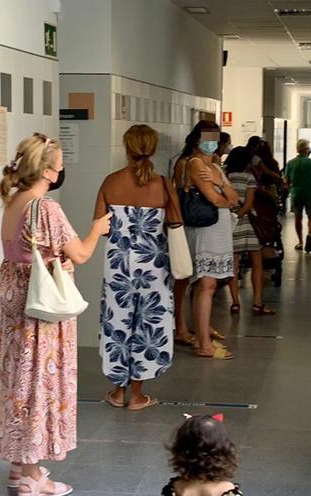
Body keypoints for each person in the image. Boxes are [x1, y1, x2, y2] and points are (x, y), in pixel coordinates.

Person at [0, 132, 111, 496]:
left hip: (9, 294)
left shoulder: (13, 201)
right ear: (46, 170)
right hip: (39, 304)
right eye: (59, 163)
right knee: (37, 384)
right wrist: (97, 230)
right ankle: (32, 476)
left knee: (15, 381)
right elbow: (79, 255)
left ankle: (19, 462)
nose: (62, 169)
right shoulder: (47, 208)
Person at [95, 125, 182, 411]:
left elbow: (102, 228)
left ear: (126, 146)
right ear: (153, 148)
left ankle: (118, 392)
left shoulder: (110, 182)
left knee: (118, 323)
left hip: (118, 264)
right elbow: (176, 222)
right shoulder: (162, 184)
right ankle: (138, 394)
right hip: (153, 265)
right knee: (148, 323)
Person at [174, 121, 239, 359]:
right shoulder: (194, 164)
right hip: (205, 228)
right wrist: (223, 195)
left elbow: (233, 197)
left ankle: (202, 333)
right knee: (205, 284)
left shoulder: (214, 165)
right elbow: (217, 200)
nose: (212, 144)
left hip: (217, 229)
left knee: (207, 285)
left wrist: (220, 184)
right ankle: (203, 342)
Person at [225, 147, 276, 317]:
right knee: (257, 264)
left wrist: (231, 219)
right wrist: (238, 217)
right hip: (248, 225)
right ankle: (257, 303)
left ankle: (235, 303)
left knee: (234, 264)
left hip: (230, 224)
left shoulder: (225, 177)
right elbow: (248, 205)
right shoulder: (249, 177)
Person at [285, 139, 311, 253]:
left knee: (298, 218)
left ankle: (300, 242)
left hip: (296, 193)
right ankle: (309, 234)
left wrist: (289, 189)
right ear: (306, 149)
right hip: (309, 193)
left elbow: (286, 181)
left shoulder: (290, 163)